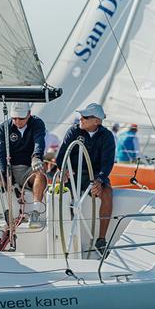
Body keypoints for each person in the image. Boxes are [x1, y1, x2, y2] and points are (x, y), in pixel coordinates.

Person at [55, 102, 116, 255]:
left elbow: (107, 164)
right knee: (61, 194)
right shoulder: (73, 131)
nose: (80, 119)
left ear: (97, 121)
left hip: (94, 176)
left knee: (107, 194)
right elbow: (61, 157)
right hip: (73, 175)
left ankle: (101, 240)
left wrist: (100, 180)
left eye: (85, 117)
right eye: (80, 116)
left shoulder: (107, 136)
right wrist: (65, 169)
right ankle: (62, 236)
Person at [0, 102, 47, 229]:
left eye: (21, 118)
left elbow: (39, 141)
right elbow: (1, 152)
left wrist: (36, 157)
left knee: (40, 174)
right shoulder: (4, 127)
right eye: (14, 118)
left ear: (29, 115)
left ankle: (35, 213)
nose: (17, 121)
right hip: (9, 170)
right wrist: (6, 174)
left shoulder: (37, 124)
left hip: (28, 170)